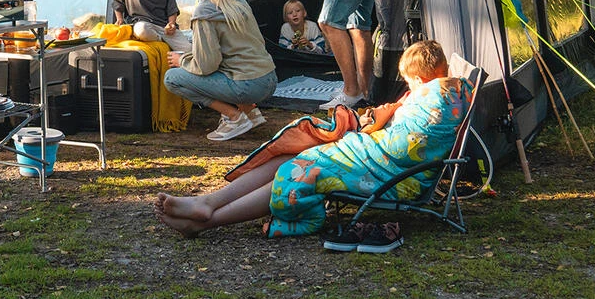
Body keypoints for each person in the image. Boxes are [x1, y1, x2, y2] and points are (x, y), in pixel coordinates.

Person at [153, 40, 470, 250]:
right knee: (293, 152)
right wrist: (379, 119)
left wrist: (371, 125)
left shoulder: (434, 101)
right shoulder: (437, 95)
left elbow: (400, 148)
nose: (410, 88)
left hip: (384, 172)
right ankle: (208, 202)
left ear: (421, 77)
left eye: (411, 82)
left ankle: (208, 219)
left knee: (300, 170)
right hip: (375, 161)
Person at [162, 0, 277, 142]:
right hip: (269, 78)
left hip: (248, 86)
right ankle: (249, 111)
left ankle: (234, 118)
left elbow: (207, 65)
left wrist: (182, 60)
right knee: (226, 65)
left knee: (172, 78)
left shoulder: (204, 13)